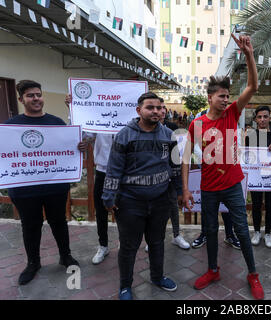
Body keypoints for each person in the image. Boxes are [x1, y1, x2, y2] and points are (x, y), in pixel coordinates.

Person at [182, 34, 264, 300]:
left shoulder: (232, 114)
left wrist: (249, 54)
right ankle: (213, 269)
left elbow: (252, 86)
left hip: (231, 184)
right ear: (209, 97)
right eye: (221, 96)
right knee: (210, 230)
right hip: (208, 187)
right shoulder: (196, 125)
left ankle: (253, 274)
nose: (226, 99)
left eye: (228, 95)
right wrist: (185, 189)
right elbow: (184, 158)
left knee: (241, 229)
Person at [102, 92, 182, 300]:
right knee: (129, 247)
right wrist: (109, 197)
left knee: (157, 242)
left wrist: (180, 191)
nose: (156, 111)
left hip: (160, 201)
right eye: (150, 107)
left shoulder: (168, 135)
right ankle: (125, 286)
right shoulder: (124, 135)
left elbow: (175, 167)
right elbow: (114, 169)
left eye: (159, 107)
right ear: (139, 110)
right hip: (130, 203)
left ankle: (157, 276)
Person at [4, 80, 80, 285]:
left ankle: (65, 256)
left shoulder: (56, 122)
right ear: (21, 99)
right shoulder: (10, 127)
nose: (36, 98)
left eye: (38, 94)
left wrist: (78, 147)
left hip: (55, 185)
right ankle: (33, 263)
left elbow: (68, 148)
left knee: (59, 222)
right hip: (24, 188)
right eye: (30, 95)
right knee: (30, 226)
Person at [65, 94, 114, 265]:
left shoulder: (131, 121)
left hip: (125, 174)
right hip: (102, 171)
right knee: (101, 211)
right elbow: (84, 134)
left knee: (127, 211)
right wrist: (73, 109)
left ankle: (128, 247)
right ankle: (103, 246)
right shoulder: (99, 119)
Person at [190, 108, 241, 251]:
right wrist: (208, 160)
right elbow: (195, 146)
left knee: (227, 207)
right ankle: (204, 234)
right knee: (207, 208)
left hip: (226, 169)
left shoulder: (229, 116)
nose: (223, 100)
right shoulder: (200, 117)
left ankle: (230, 235)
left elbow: (236, 141)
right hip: (208, 170)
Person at [144, 100, 189, 250]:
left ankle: (176, 235)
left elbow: (177, 155)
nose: (161, 111)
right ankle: (153, 239)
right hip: (153, 179)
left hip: (171, 176)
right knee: (153, 210)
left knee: (173, 207)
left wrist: (179, 186)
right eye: (159, 108)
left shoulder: (173, 129)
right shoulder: (146, 129)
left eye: (164, 108)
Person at [245, 105, 271, 248]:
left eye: (265, 116)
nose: (262, 119)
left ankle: (268, 234)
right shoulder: (251, 135)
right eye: (259, 117)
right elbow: (248, 156)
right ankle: (257, 232)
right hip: (256, 177)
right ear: (255, 119)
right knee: (256, 205)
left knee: (270, 205)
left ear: (269, 118)